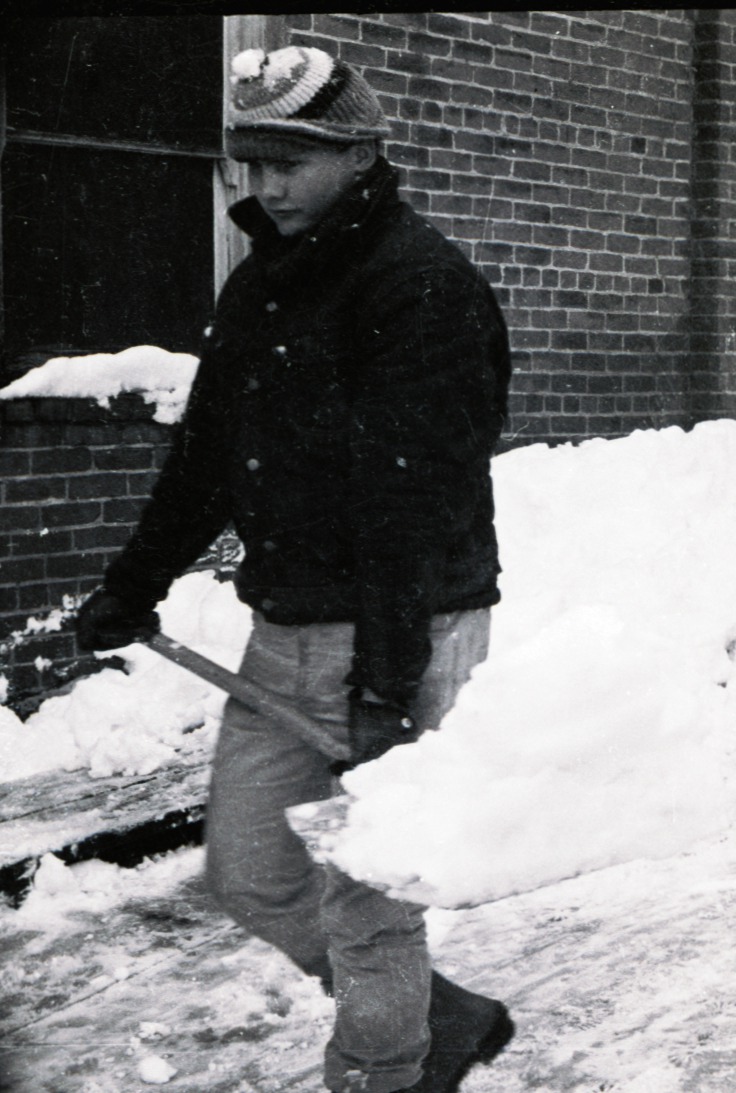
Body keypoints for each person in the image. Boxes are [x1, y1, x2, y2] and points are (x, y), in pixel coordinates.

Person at [73, 46, 514, 1093]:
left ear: (362, 153)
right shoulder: (267, 281)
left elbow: (419, 498)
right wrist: (133, 584)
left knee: (369, 907)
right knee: (250, 874)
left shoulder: (420, 288)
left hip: (403, 625)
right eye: (250, 162)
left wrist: (385, 683)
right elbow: (211, 458)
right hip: (289, 629)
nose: (264, 186)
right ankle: (436, 1017)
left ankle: (384, 1069)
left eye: (291, 162)